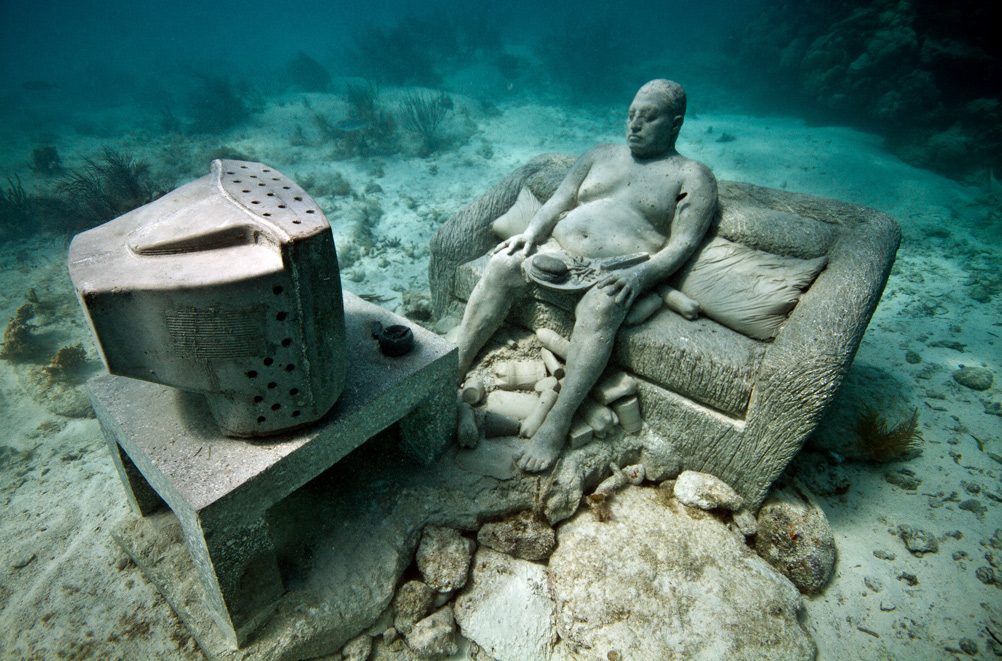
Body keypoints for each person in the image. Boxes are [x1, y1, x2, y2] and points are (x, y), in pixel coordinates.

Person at [455, 79, 718, 472]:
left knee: (599, 308)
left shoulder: (692, 176)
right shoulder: (600, 154)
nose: (635, 125)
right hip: (557, 253)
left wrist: (643, 275)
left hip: (620, 270)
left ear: (675, 123)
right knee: (501, 265)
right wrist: (528, 235)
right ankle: (454, 366)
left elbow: (683, 245)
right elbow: (557, 202)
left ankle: (557, 423)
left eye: (649, 118)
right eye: (631, 115)